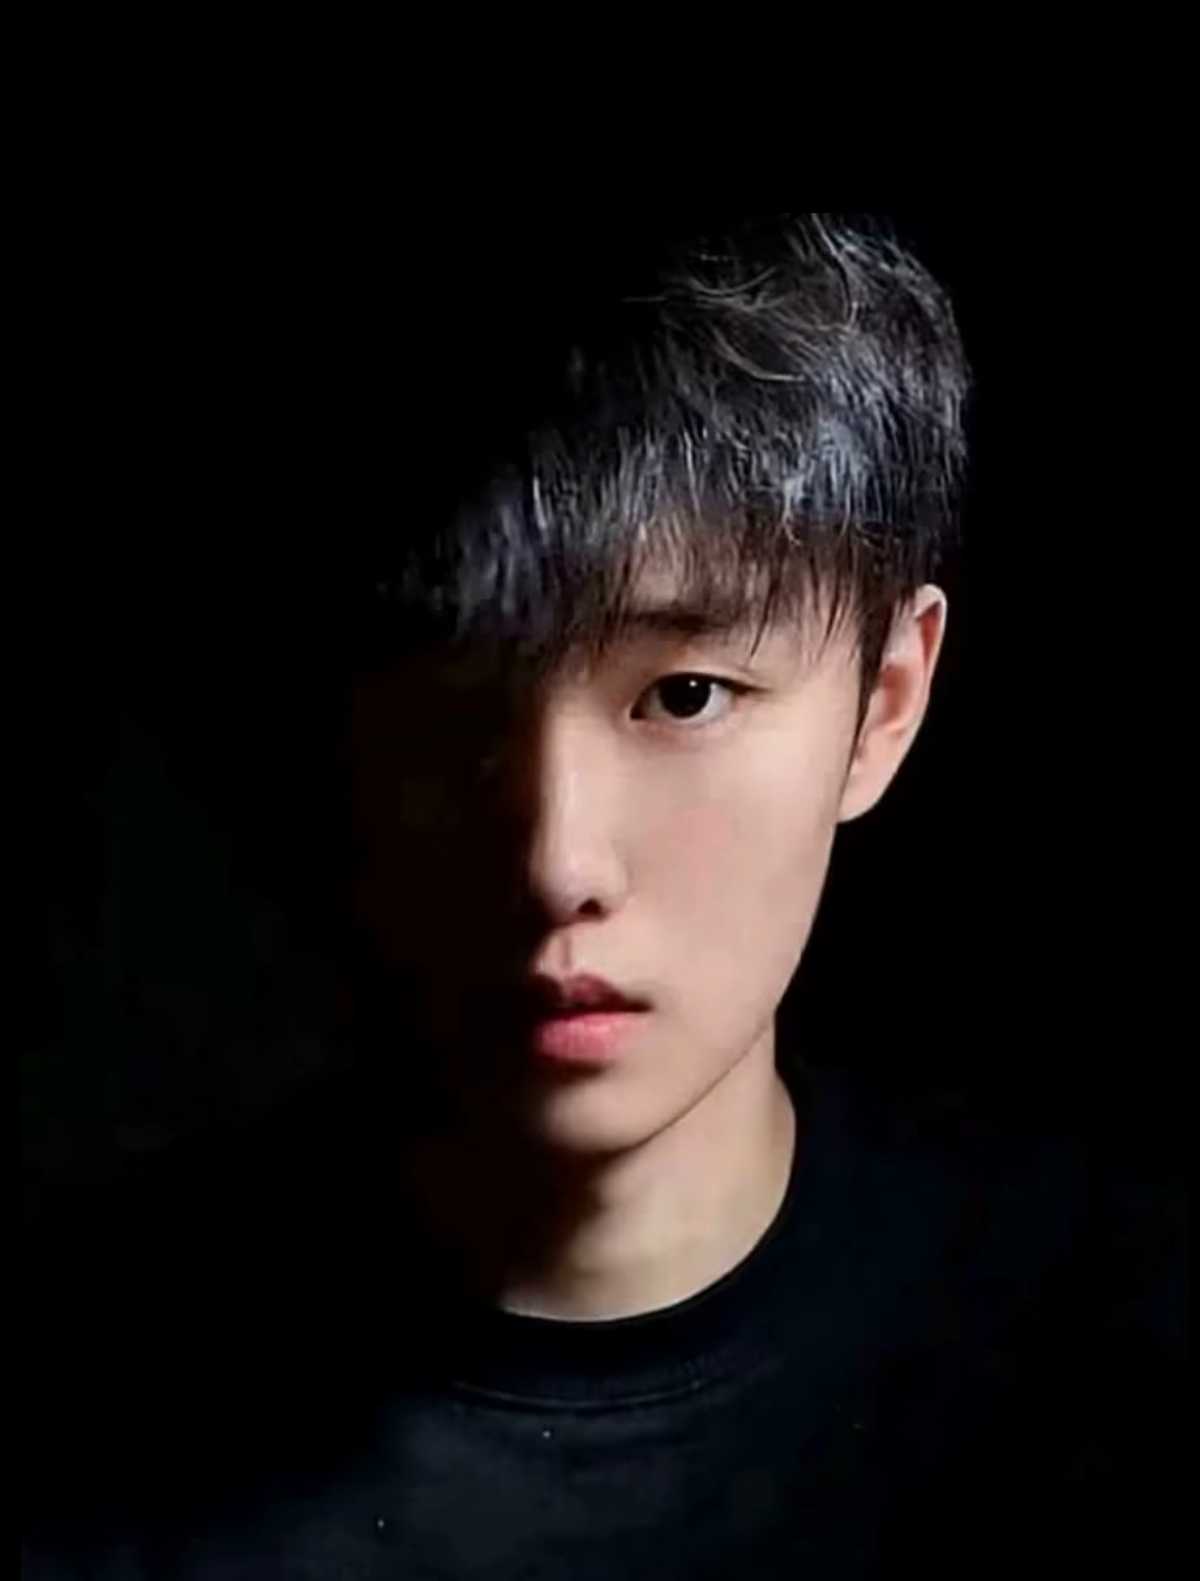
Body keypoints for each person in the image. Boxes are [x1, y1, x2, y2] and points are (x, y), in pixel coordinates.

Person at [23, 210, 1183, 1577]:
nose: (557, 861)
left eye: (684, 695)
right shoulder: (69, 1400)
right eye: (454, 706)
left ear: (885, 701)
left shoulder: (1119, 1357)